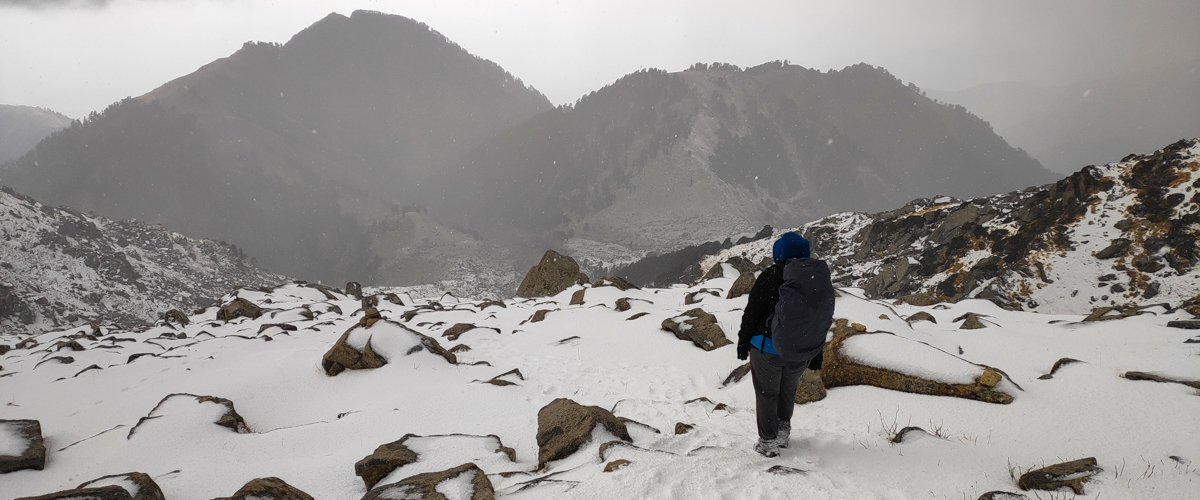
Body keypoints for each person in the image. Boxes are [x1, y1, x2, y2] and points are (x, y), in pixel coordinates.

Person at [736, 232, 833, 457]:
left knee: (767, 394)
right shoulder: (816, 279)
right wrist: (816, 352)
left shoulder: (771, 276)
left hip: (767, 348)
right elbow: (820, 317)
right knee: (787, 392)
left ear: (779, 253)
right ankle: (782, 434)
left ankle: (768, 443)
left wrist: (743, 342)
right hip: (801, 351)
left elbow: (752, 313)